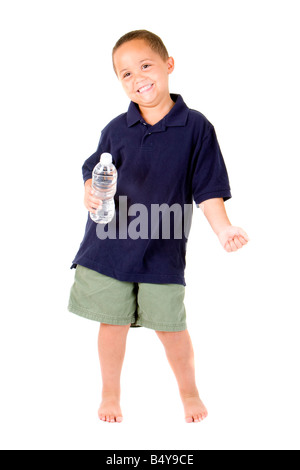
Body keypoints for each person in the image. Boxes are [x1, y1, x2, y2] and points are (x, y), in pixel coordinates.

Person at [68, 30, 249, 424]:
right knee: (111, 324)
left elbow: (208, 187)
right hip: (110, 245)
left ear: (168, 66)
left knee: (171, 329)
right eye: (125, 74)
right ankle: (110, 394)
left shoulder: (195, 127)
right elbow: (94, 170)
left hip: (161, 249)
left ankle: (189, 393)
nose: (138, 78)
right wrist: (89, 190)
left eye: (145, 66)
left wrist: (223, 229)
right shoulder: (117, 128)